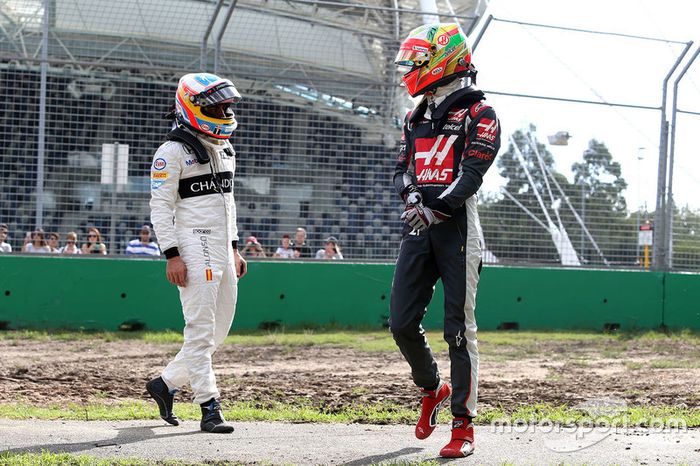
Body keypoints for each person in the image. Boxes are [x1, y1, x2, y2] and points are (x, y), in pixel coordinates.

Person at [389, 23, 501, 458]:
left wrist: (437, 207)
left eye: (415, 63)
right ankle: (433, 388)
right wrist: (413, 196)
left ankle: (463, 425)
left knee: (458, 330)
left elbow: (471, 176)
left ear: (442, 60)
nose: (409, 71)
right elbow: (402, 168)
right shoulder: (414, 116)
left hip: (459, 230)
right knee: (400, 323)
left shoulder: (481, 113)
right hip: (418, 227)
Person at [147, 72, 247, 434]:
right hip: (192, 246)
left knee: (218, 332)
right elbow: (159, 208)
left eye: (226, 106)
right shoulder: (171, 152)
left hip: (222, 248)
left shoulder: (225, 149)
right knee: (200, 330)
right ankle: (209, 405)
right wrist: (172, 254)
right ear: (192, 107)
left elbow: (229, 205)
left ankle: (165, 383)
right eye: (217, 107)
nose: (224, 111)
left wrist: (234, 248)